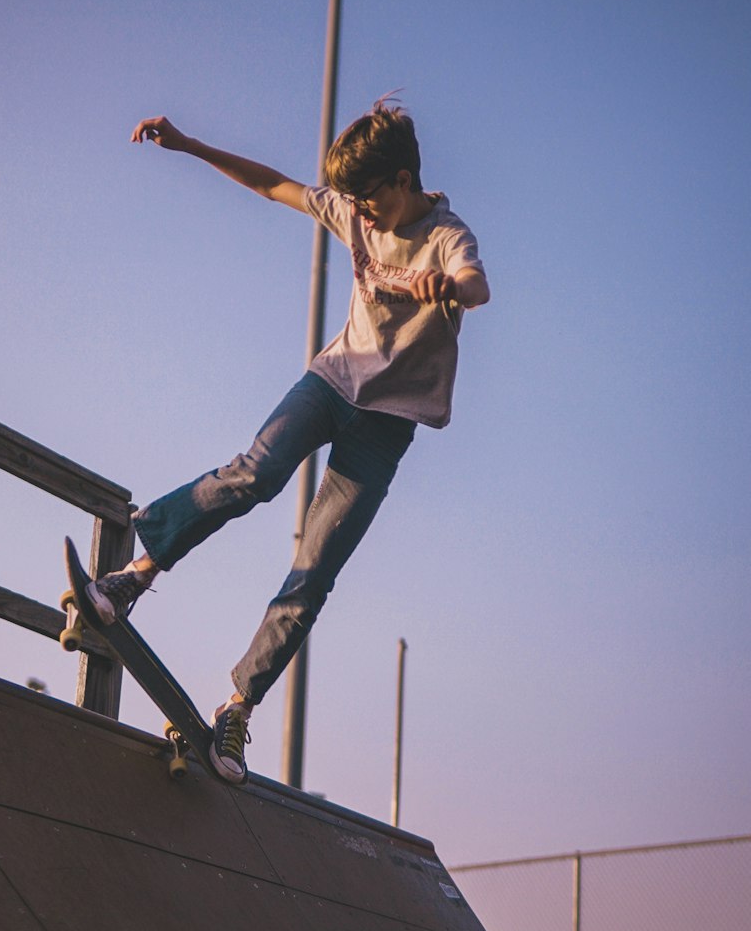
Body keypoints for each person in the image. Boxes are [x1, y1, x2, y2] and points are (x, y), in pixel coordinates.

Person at [84, 102, 490, 784]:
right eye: (352, 202)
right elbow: (274, 185)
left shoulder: (448, 236)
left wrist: (446, 284)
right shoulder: (356, 212)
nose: (359, 213)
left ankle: (238, 707)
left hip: (387, 426)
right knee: (256, 474)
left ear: (402, 179)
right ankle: (137, 574)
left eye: (370, 199)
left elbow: (478, 285)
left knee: (316, 568)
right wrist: (188, 145)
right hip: (331, 383)